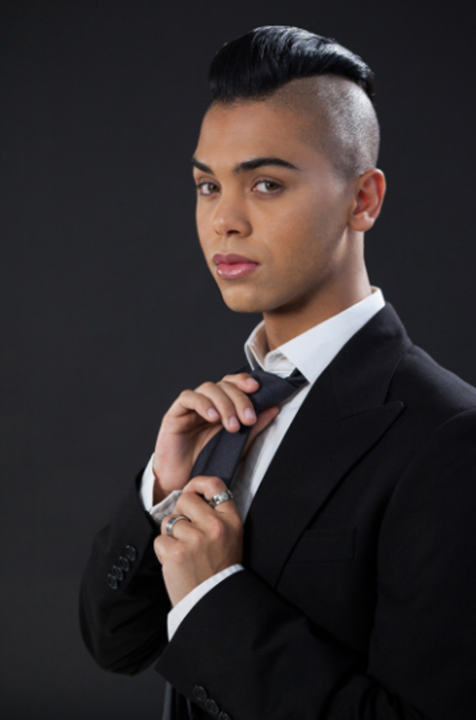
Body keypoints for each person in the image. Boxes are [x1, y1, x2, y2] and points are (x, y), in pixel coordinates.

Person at [80, 26, 476, 720]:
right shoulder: (226, 418)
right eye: (207, 185)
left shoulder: (451, 438)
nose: (223, 221)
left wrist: (216, 597)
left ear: (364, 200)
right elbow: (115, 644)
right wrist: (160, 494)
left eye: (265, 184)